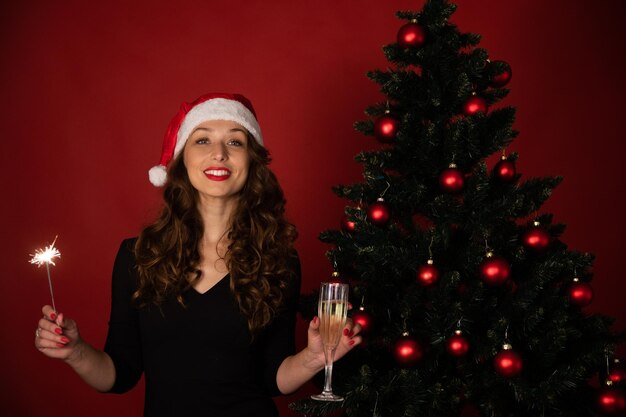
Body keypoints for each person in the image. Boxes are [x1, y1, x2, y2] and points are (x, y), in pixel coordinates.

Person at [34, 93, 362, 417]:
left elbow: (273, 378)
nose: (219, 154)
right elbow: (119, 375)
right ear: (182, 160)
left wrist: (316, 357)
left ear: (251, 161)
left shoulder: (279, 260)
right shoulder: (138, 256)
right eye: (202, 141)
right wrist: (74, 351)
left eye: (235, 142)